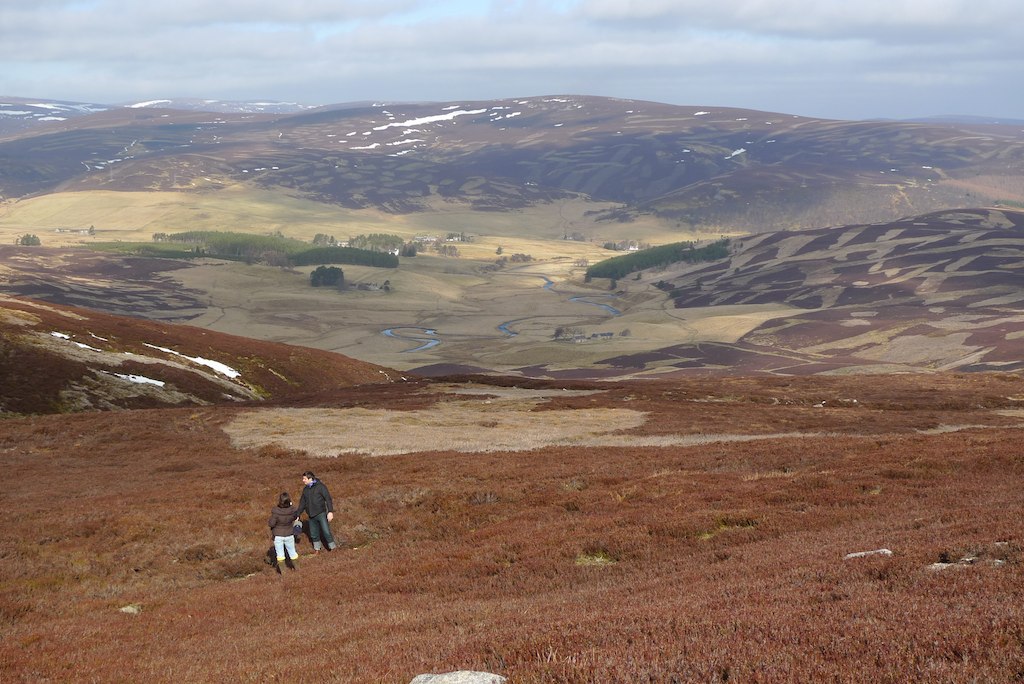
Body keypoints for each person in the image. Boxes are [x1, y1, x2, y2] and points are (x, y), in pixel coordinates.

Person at [295, 471, 337, 552]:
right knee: (314, 534)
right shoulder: (305, 490)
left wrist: (330, 511)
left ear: (310, 479)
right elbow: (302, 503)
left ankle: (333, 549)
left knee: (326, 532)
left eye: (304, 479)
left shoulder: (321, 487)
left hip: (321, 513)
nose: (303, 480)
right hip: (311, 515)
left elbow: (328, 499)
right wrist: (298, 514)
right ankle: (317, 549)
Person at [268, 492, 300, 572]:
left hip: (278, 536)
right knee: (292, 552)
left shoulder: (276, 511)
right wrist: (291, 505)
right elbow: (296, 517)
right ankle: (298, 569)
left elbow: (271, 524)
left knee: (280, 554)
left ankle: (284, 572)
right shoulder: (292, 510)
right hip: (289, 534)